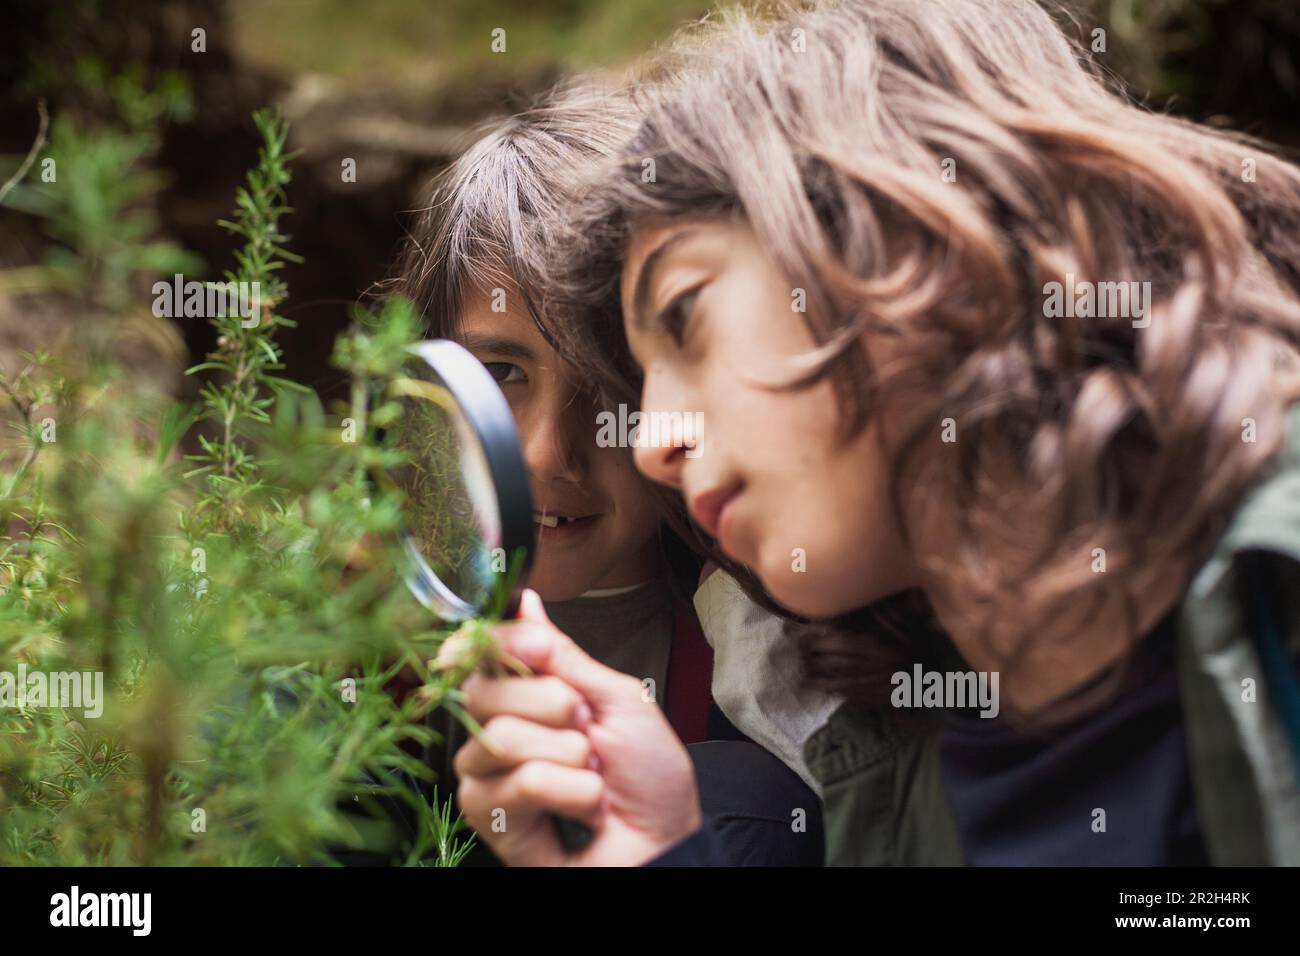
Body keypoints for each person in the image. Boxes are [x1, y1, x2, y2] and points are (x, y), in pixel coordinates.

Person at [454, 0, 1300, 865]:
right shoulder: (900, 753)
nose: (651, 442)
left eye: (686, 316)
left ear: (905, 236)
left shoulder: (1277, 575)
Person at [385, 83, 827, 865]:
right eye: (502, 373)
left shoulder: (773, 646)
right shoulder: (345, 640)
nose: (550, 453)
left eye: (612, 383)